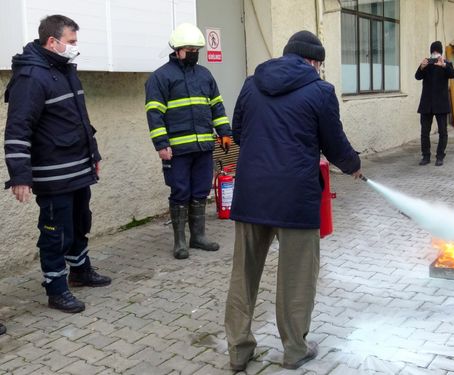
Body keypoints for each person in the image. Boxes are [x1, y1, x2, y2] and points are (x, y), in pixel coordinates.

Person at [224, 30, 362, 371]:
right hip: (294, 198)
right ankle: (295, 350)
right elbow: (333, 142)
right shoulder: (320, 91)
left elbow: (238, 132)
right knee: (296, 278)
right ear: (314, 61)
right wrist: (353, 165)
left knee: (243, 274)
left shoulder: (251, 83)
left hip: (252, 193)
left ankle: (239, 351)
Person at [4, 15, 111, 314]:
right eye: (72, 42)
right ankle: (56, 288)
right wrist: (20, 176)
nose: (76, 47)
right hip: (53, 173)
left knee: (80, 221)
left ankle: (80, 271)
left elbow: (80, 120)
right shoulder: (31, 77)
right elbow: (18, 128)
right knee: (55, 231)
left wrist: (94, 156)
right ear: (53, 42)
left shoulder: (65, 70)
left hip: (78, 167)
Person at [145, 23, 232, 260]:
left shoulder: (204, 75)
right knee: (180, 191)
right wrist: (162, 145)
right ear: (177, 49)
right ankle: (180, 241)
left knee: (201, 191)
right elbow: (154, 114)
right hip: (177, 150)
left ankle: (198, 236)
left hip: (203, 147)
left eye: (197, 49)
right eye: (190, 48)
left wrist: (224, 131)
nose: (194, 52)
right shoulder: (161, 77)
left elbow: (217, 106)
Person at [415, 40, 454, 166]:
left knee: (443, 132)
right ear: (430, 52)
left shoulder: (446, 64)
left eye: (437, 51)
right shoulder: (426, 64)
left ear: (441, 53)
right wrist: (421, 66)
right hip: (426, 104)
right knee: (424, 132)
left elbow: (453, 75)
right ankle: (425, 156)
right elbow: (417, 76)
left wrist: (444, 65)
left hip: (441, 104)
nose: (435, 54)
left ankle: (440, 156)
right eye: (433, 51)